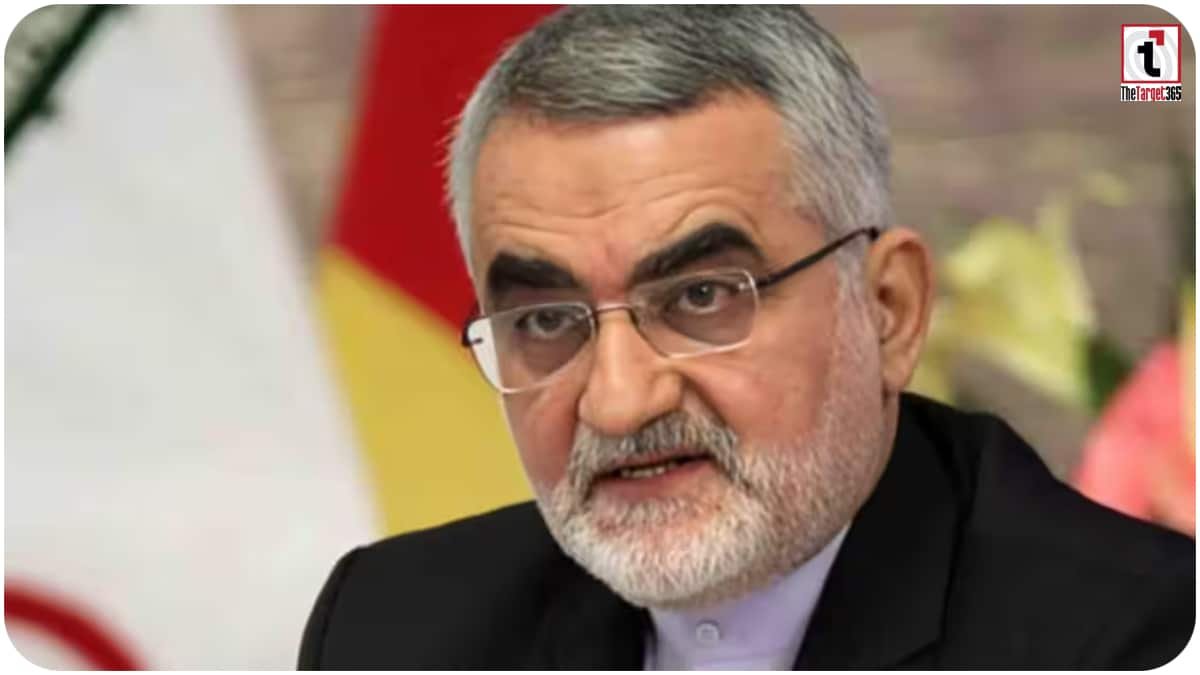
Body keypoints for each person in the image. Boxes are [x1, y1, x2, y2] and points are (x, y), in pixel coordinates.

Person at [298, 6, 1194, 669]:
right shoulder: (388, 630)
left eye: (701, 297)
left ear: (888, 310)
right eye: (545, 320)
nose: (619, 400)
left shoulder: (1133, 634)